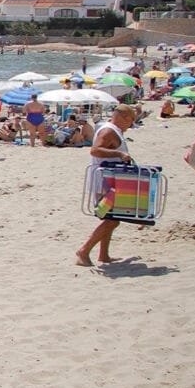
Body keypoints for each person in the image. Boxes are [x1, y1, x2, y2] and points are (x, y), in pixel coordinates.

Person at [76, 104, 139, 267]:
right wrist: (119, 153)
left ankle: (103, 255)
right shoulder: (109, 130)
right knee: (112, 219)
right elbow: (95, 150)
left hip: (109, 180)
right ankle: (84, 251)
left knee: (111, 218)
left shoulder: (113, 130)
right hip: (104, 181)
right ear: (123, 117)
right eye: (130, 122)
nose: (130, 126)